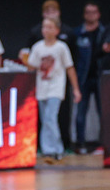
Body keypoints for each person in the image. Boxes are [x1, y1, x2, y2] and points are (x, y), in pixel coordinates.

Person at [26, 17, 81, 162]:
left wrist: (76, 89)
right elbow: (31, 66)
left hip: (56, 88)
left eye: (50, 27)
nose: (46, 30)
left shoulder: (61, 47)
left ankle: (56, 149)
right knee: (45, 119)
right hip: (42, 88)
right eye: (44, 27)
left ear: (57, 30)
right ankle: (47, 149)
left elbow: (70, 68)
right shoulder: (38, 47)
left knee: (51, 117)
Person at [73, 1, 105, 154]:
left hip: (101, 78)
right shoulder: (78, 33)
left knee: (103, 113)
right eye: (88, 12)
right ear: (84, 14)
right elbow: (73, 57)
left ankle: (104, 144)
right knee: (80, 113)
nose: (90, 15)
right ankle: (80, 144)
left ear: (98, 14)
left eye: (94, 12)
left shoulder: (104, 32)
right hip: (83, 79)